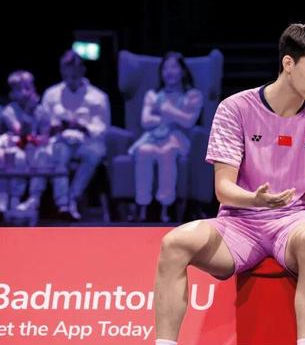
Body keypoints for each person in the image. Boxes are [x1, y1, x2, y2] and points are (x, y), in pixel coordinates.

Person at [123, 23, 305, 345]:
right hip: (240, 223)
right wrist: (256, 201)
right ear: (288, 64)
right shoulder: (235, 108)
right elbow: (223, 188)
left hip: (293, 221)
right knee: (174, 243)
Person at [128, 52, 203, 222]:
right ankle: (143, 206)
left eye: (174, 67)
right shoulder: (153, 95)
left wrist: (164, 110)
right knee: (143, 151)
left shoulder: (192, 95)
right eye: (165, 68)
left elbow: (188, 121)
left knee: (167, 152)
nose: (169, 72)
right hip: (152, 138)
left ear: (183, 71)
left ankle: (165, 207)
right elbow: (146, 121)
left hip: (177, 138)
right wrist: (173, 116)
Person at [41, 50, 111, 220]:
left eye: (74, 71)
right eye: (67, 72)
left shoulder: (98, 97)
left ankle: (72, 197)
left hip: (87, 141)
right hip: (61, 140)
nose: (71, 76)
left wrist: (83, 126)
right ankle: (63, 204)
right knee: (59, 153)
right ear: (61, 71)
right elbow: (44, 122)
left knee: (94, 154)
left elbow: (102, 128)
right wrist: (55, 126)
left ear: (82, 70)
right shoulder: (51, 94)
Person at [0, 70, 53, 213]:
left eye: (28, 88)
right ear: (12, 93)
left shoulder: (42, 110)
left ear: (34, 89)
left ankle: (34, 199)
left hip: (35, 149)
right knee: (17, 157)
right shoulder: (9, 110)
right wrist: (28, 112)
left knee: (44, 155)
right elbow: (20, 132)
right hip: (15, 148)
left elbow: (45, 136)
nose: (24, 92)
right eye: (19, 89)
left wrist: (36, 140)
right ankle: (12, 200)